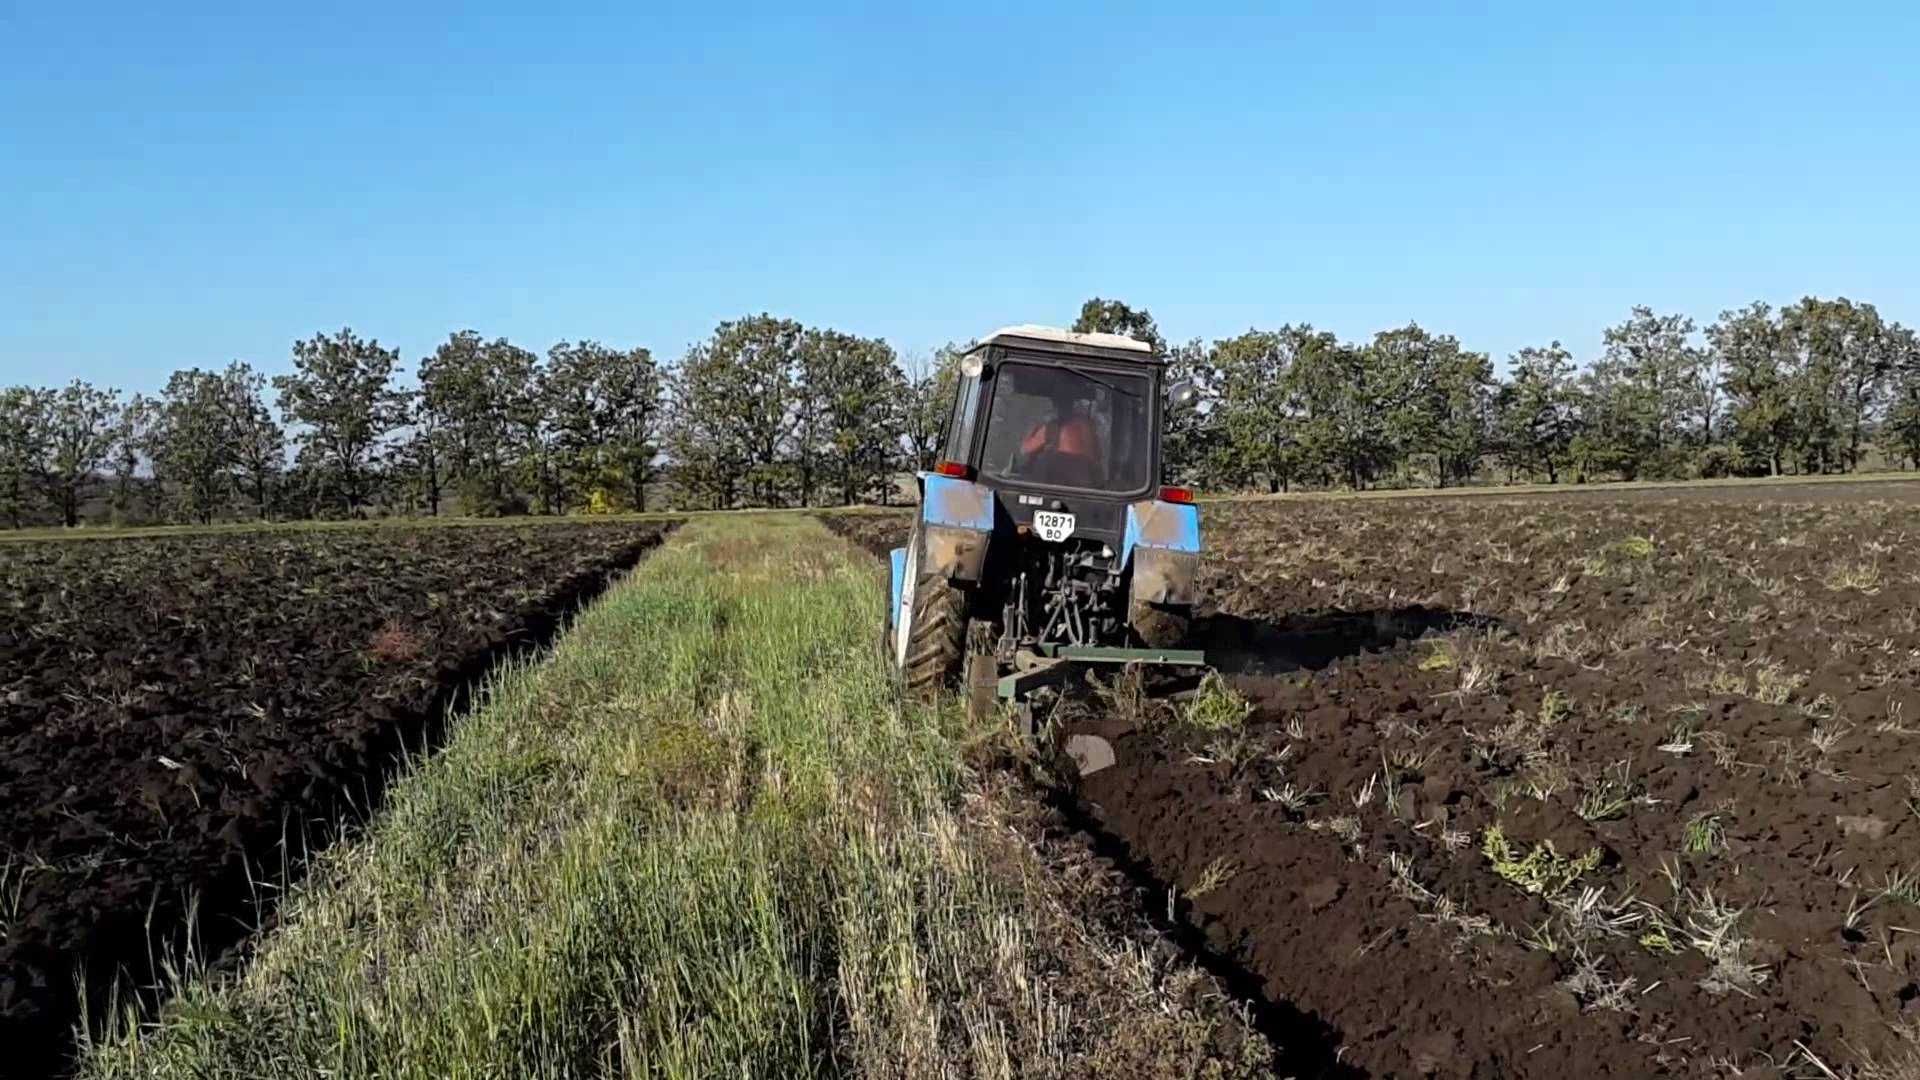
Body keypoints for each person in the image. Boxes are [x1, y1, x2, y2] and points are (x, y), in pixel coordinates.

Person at [1017, 382, 1101, 487]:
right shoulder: (1088, 426)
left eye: (1060, 402)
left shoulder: (1051, 429)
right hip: (1085, 486)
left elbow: (1026, 450)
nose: (1059, 407)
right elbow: (1096, 458)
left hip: (1059, 486)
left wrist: (1034, 429)